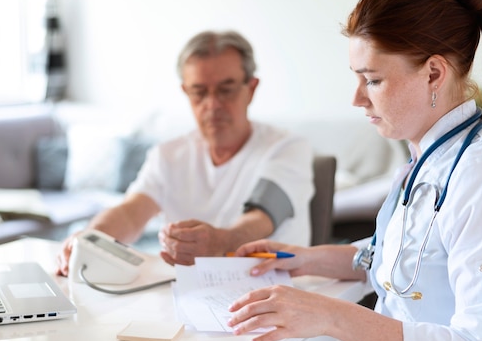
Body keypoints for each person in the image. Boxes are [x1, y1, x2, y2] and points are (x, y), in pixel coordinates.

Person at [227, 0, 482, 341]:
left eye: (373, 80)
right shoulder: (428, 158)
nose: (357, 98)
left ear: (434, 73)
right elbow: (400, 260)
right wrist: (300, 258)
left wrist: (331, 315)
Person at [56, 30, 313, 275]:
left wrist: (220, 242)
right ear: (185, 92)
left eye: (226, 90)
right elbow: (131, 212)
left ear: (252, 88)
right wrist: (91, 239)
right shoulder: (169, 154)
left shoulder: (287, 148)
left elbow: (262, 217)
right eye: (199, 92)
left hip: (277, 289)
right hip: (193, 292)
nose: (212, 104)